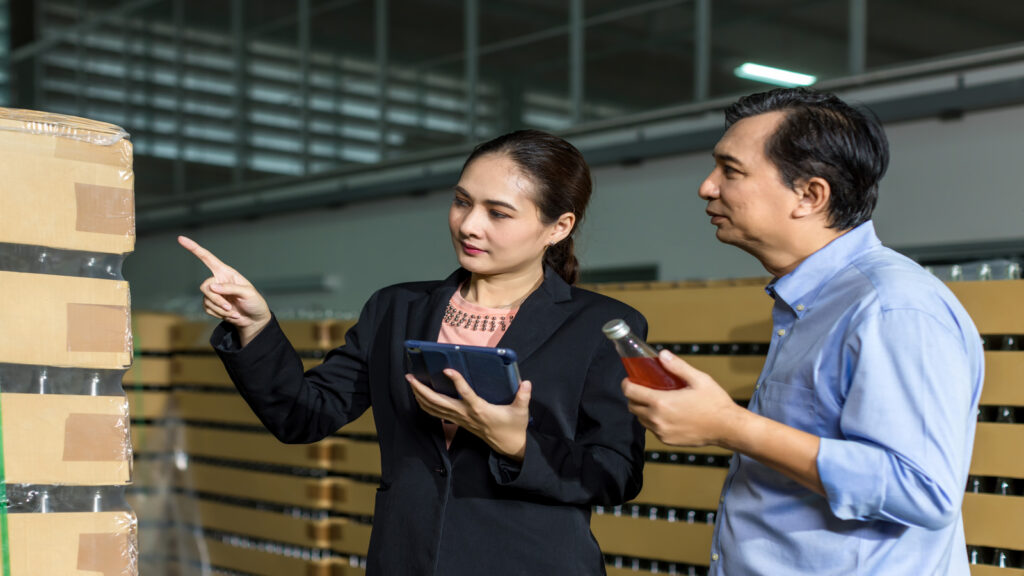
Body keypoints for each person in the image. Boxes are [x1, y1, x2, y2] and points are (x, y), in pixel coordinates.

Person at [179, 129, 647, 575]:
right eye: (462, 201)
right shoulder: (395, 309)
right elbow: (303, 414)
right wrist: (255, 326)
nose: (469, 224)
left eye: (498, 213)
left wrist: (519, 445)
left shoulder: (595, 327)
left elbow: (615, 473)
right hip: (406, 560)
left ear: (558, 227)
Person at [622, 88, 984, 575]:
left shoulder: (892, 307)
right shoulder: (812, 302)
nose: (707, 187)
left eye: (731, 171)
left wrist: (729, 425)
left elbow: (921, 489)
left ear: (810, 195)